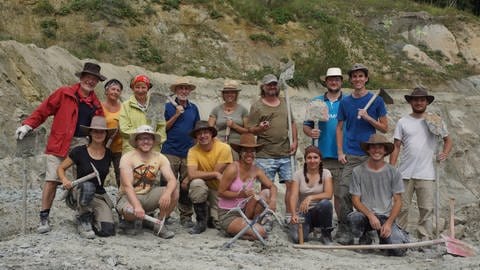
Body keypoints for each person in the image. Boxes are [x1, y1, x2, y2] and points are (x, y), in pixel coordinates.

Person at [15, 62, 105, 234]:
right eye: (88, 77)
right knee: (52, 179)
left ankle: (82, 216)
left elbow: (99, 130)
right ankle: (44, 216)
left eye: (94, 79)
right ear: (81, 77)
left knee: (84, 181)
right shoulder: (64, 93)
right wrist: (28, 125)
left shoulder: (96, 105)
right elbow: (44, 110)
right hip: (59, 141)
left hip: (82, 144)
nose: (90, 81)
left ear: (97, 82)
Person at [390, 87, 453, 241]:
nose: (419, 102)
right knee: (402, 207)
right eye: (416, 100)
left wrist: (444, 152)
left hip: (427, 172)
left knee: (426, 208)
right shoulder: (403, 122)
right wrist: (391, 168)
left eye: (422, 100)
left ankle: (424, 238)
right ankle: (400, 236)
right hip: (405, 172)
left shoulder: (435, 121)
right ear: (410, 101)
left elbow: (448, 139)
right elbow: (396, 146)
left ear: (427, 102)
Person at [335, 63, 388, 244]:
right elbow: (340, 128)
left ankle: (366, 232)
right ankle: (345, 229)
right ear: (351, 79)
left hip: (369, 155)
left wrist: (368, 117)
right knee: (343, 193)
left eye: (361, 76)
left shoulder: (377, 101)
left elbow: (385, 128)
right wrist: (340, 151)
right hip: (350, 154)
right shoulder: (345, 102)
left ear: (366, 79)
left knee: (368, 196)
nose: (358, 79)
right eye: (354, 76)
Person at [348, 134, 408, 257]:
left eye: (380, 147)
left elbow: (398, 201)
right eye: (373, 147)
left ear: (385, 150)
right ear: (368, 150)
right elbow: (355, 200)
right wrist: (370, 215)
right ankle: (364, 238)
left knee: (398, 251)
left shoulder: (394, 172)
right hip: (365, 216)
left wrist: (389, 223)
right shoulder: (357, 171)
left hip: (385, 217)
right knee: (354, 217)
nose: (376, 150)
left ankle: (390, 237)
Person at [248, 74, 298, 220]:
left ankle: (290, 216)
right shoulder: (257, 106)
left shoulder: (285, 102)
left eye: (274, 84)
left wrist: (295, 141)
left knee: (291, 185)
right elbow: (251, 129)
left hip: (286, 152)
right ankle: (267, 217)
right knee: (267, 188)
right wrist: (260, 128)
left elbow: (293, 123)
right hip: (265, 154)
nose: (272, 87)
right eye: (269, 84)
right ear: (263, 87)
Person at [57, 116, 116, 239]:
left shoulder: (109, 154)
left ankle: (92, 216)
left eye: (102, 131)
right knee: (88, 187)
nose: (99, 134)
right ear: (90, 133)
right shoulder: (79, 151)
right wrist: (64, 180)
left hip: (98, 195)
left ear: (106, 134)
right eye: (95, 131)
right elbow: (60, 168)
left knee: (107, 230)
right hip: (79, 191)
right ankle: (83, 219)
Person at [116, 125, 178, 239]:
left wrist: (167, 193)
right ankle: (131, 220)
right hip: (128, 197)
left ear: (153, 141)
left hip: (148, 195)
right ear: (136, 141)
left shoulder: (160, 157)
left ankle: (159, 223)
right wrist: (137, 206)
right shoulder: (127, 157)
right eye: (142, 138)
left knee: (174, 190)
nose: (146, 141)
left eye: (149, 138)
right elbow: (127, 186)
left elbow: (172, 179)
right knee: (130, 212)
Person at [218, 133, 277, 239]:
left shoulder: (256, 170)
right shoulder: (232, 169)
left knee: (265, 193)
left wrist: (273, 200)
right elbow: (221, 192)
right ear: (240, 152)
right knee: (262, 233)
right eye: (245, 151)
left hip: (245, 211)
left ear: (255, 153)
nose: (249, 154)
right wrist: (239, 194)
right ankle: (238, 231)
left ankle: (250, 226)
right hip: (229, 214)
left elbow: (272, 186)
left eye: (252, 151)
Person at [303, 67, 344, 221]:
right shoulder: (316, 102)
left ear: (341, 82)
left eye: (337, 79)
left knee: (341, 195)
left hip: (341, 157)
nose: (334, 82)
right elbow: (306, 125)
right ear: (326, 82)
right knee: (319, 194)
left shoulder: (346, 102)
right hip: (319, 157)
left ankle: (341, 226)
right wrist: (310, 132)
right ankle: (318, 225)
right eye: (331, 79)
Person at [161, 77, 200, 228]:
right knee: (166, 184)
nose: (184, 91)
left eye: (186, 88)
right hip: (169, 151)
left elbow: (197, 131)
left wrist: (195, 151)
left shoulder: (194, 108)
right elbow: (162, 128)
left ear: (189, 91)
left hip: (188, 152)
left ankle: (186, 216)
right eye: (181, 88)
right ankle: (165, 214)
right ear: (175, 90)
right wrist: (176, 115)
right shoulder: (167, 107)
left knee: (186, 186)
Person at [186, 120, 233, 234]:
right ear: (196, 136)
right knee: (196, 183)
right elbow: (192, 174)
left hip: (221, 189)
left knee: (220, 223)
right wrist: (215, 174)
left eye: (205, 132)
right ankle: (200, 222)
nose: (203, 136)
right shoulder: (192, 151)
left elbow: (217, 170)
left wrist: (214, 173)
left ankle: (211, 214)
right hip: (205, 186)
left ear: (211, 134)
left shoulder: (224, 148)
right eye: (199, 133)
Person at [288, 146, 334, 244]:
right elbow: (293, 196)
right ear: (305, 160)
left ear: (320, 159)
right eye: (309, 158)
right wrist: (293, 214)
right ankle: (309, 228)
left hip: (320, 211)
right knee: (296, 239)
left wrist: (311, 197)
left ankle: (326, 234)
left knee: (326, 204)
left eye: (315, 157)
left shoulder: (326, 173)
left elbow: (329, 194)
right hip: (304, 212)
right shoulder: (298, 174)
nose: (312, 160)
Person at [119, 74, 166, 153]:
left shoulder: (156, 105)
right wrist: (143, 137)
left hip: (152, 150)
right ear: (133, 88)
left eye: (143, 87)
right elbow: (124, 129)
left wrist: (152, 142)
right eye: (137, 87)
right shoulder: (126, 105)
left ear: (148, 89)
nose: (140, 90)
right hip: (132, 150)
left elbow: (161, 127)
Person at [208, 79, 249, 145]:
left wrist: (235, 126)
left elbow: (248, 131)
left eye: (232, 92)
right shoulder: (216, 110)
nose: (229, 94)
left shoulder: (243, 110)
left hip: (237, 146)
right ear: (223, 94)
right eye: (227, 92)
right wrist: (215, 139)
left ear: (236, 94)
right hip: (219, 145)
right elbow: (209, 129)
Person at [101, 79, 123, 187]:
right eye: (112, 89)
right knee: (101, 172)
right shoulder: (100, 107)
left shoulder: (124, 108)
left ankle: (122, 200)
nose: (115, 92)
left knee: (121, 175)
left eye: (118, 90)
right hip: (102, 147)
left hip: (120, 147)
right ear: (106, 91)